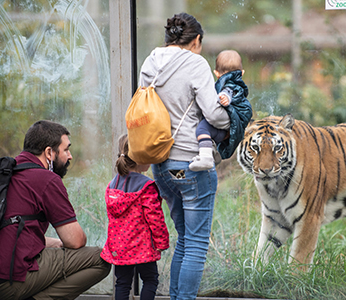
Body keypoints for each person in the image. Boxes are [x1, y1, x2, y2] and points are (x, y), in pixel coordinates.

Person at [139, 12, 230, 300]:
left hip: (162, 166)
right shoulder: (195, 63)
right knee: (196, 243)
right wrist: (235, 116)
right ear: (197, 40)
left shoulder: (149, 63)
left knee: (184, 239)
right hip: (191, 165)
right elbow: (214, 114)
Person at [0, 120, 111, 300]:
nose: (70, 156)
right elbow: (76, 240)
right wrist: (65, 243)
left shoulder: (3, 175)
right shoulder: (46, 179)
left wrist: (56, 243)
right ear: (49, 152)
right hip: (6, 282)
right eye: (66, 149)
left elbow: (13, 231)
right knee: (100, 259)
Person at [101, 134, 169, 300]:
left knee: (122, 283)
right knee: (150, 280)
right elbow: (155, 218)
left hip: (120, 247)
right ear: (139, 156)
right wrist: (161, 242)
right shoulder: (146, 186)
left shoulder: (112, 186)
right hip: (143, 247)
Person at [189, 49, 252, 171]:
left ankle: (206, 157)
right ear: (242, 73)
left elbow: (228, 92)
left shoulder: (226, 85)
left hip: (219, 128)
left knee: (202, 129)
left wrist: (225, 98)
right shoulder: (239, 84)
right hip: (224, 131)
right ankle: (212, 155)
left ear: (216, 73)